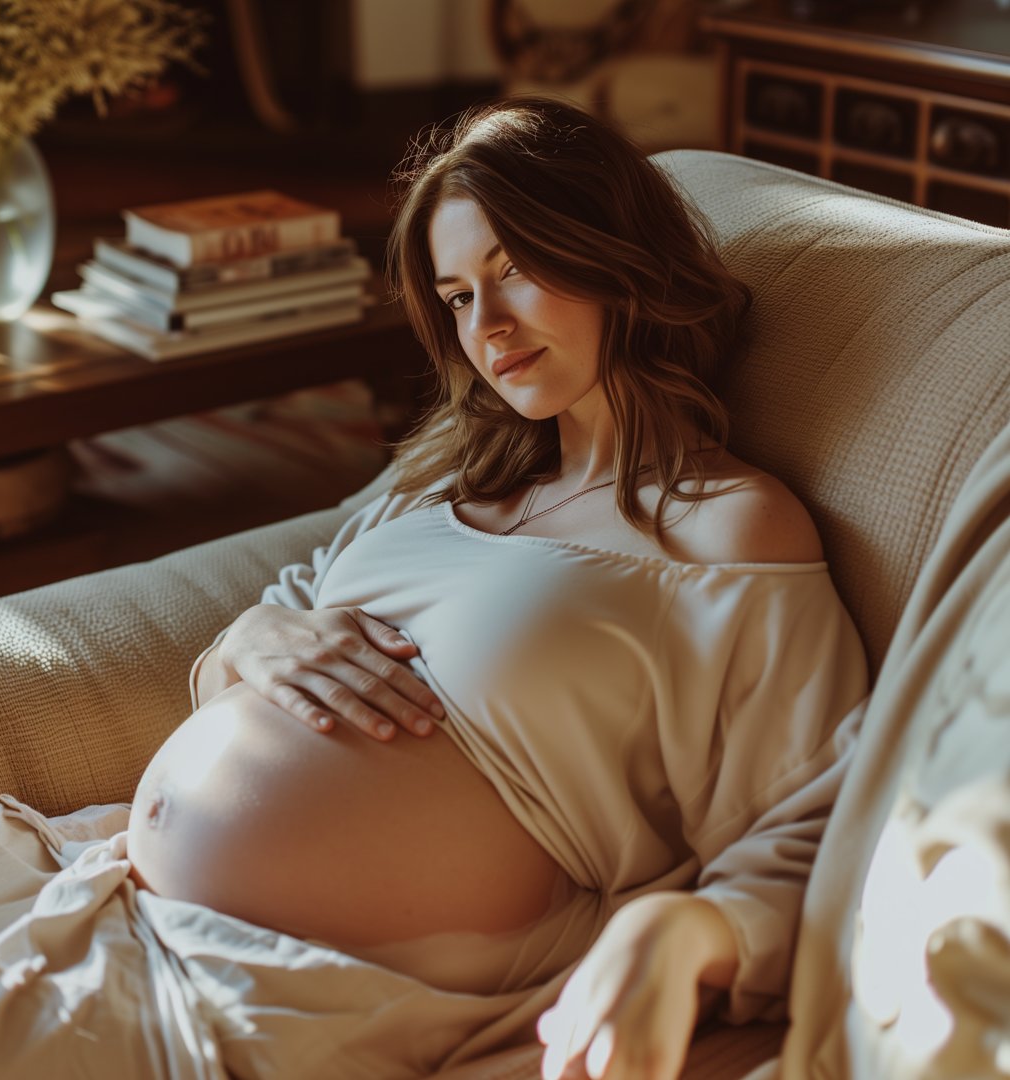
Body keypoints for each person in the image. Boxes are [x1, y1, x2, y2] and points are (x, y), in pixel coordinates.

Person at [126, 96, 868, 1079]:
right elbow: (279, 621)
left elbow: (811, 815)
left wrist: (687, 935)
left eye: (512, 271)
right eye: (459, 296)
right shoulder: (443, 481)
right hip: (132, 908)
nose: (490, 328)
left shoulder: (728, 526)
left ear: (611, 255)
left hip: (321, 994)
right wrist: (250, 637)